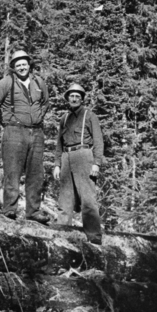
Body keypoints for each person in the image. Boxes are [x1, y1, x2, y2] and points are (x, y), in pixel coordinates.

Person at [0, 50, 51, 222]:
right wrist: (6, 122)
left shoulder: (39, 82)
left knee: (36, 174)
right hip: (14, 131)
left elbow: (45, 103)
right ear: (14, 67)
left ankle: (33, 211)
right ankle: (9, 209)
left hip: (37, 132)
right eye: (18, 65)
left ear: (29, 65)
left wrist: (38, 117)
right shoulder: (6, 83)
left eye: (24, 64)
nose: (22, 67)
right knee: (12, 172)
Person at [53, 83, 103, 244]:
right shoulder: (64, 118)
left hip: (84, 155)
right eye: (71, 96)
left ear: (82, 99)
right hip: (66, 157)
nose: (74, 98)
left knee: (88, 199)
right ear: (68, 98)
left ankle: (94, 237)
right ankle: (62, 234)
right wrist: (57, 164)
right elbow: (59, 143)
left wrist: (97, 163)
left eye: (77, 96)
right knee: (65, 200)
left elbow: (98, 141)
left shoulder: (89, 115)